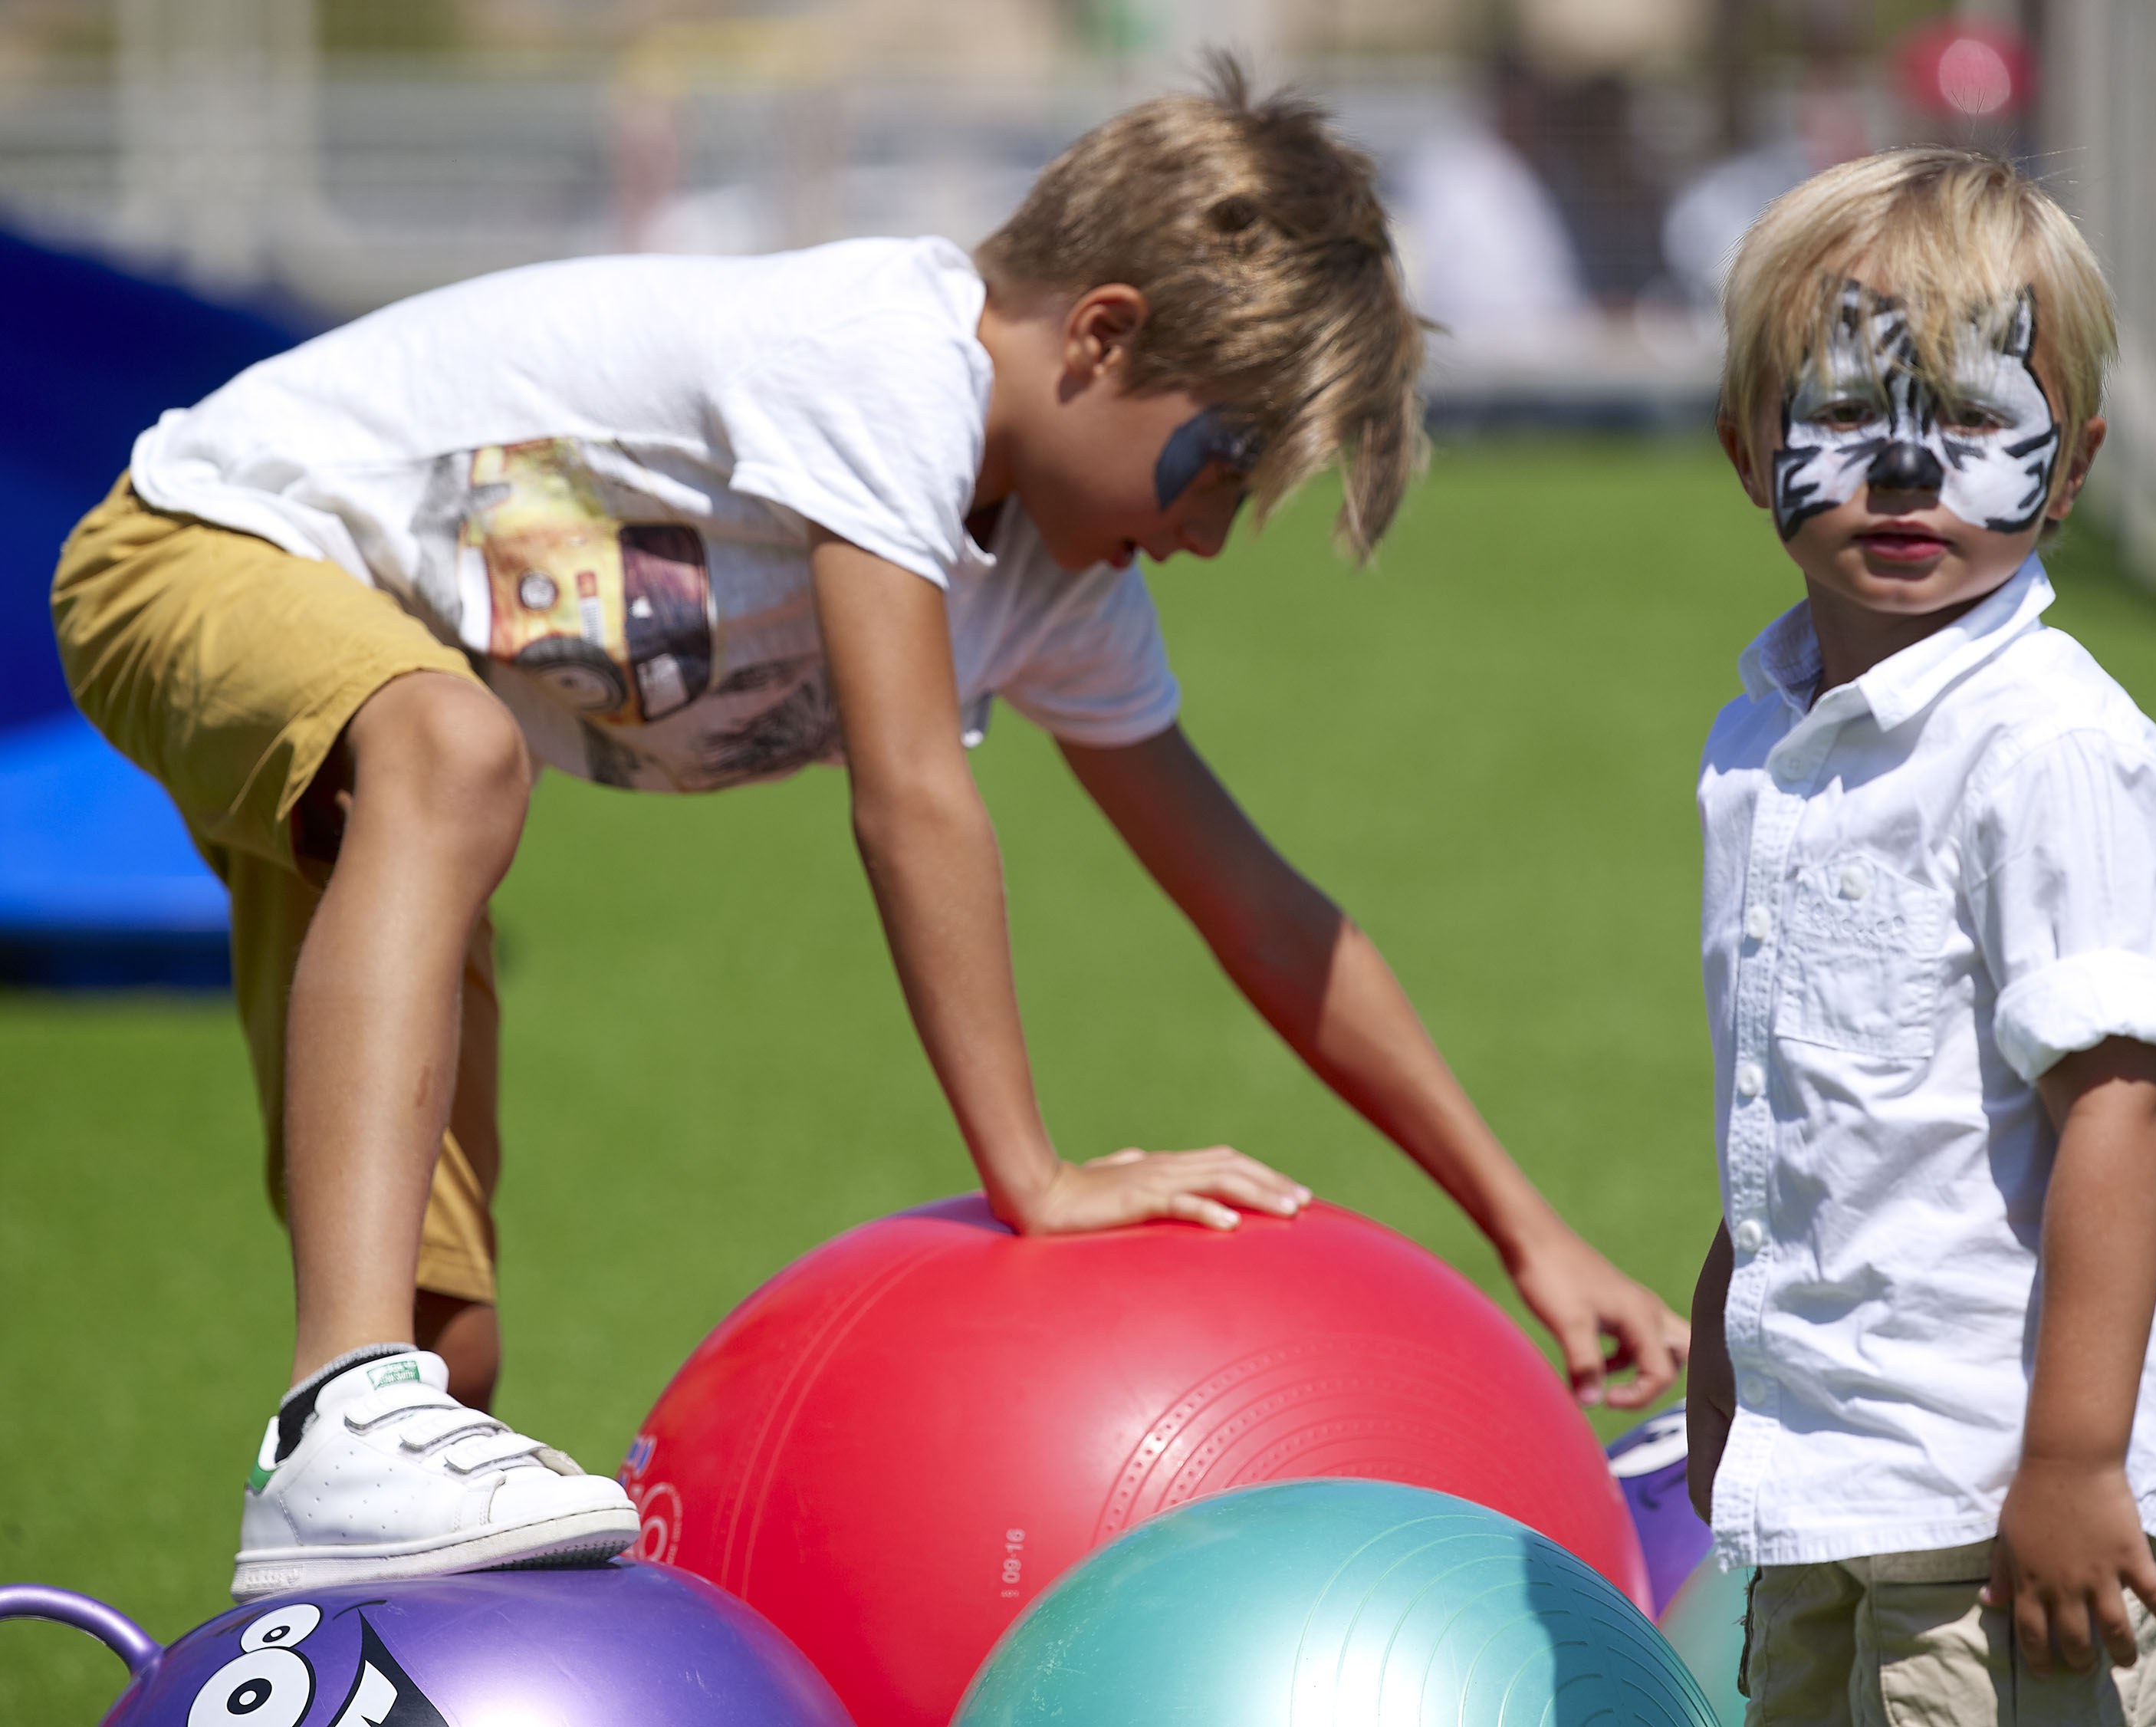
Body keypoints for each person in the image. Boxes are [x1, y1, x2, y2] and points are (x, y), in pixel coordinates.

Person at [54, 64, 1688, 1606]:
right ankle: (331, 1410)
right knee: (453, 756)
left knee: (450, 1353)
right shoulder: (883, 355)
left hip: (378, 777)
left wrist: (1529, 1228)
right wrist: (1030, 1174)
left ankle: (334, 1524)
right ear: (1101, 337)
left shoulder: (1055, 583)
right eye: (1216, 465)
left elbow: (1265, 914)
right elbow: (909, 794)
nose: (1199, 534)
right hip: (196, 546)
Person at [1681, 147, 2156, 1724]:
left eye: (1976, 420)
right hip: (1832, 1468)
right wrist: (1729, 1350)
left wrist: (2074, 1459)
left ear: (2068, 469)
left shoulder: (2049, 752)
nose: (1907, 471)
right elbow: (1791, 1100)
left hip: (2002, 1495)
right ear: (1748, 446)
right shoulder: (1766, 747)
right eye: (1848, 416)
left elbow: (2116, 1119)